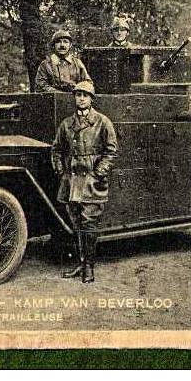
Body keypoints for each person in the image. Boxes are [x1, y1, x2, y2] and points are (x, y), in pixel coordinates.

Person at [51, 81, 118, 282]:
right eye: (78, 95)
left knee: (89, 225)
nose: (80, 98)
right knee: (76, 224)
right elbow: (56, 150)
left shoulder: (102, 122)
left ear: (91, 99)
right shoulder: (66, 124)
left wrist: (99, 173)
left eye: (84, 95)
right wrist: (61, 171)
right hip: (72, 182)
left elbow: (111, 151)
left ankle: (89, 267)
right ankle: (80, 264)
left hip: (91, 181)